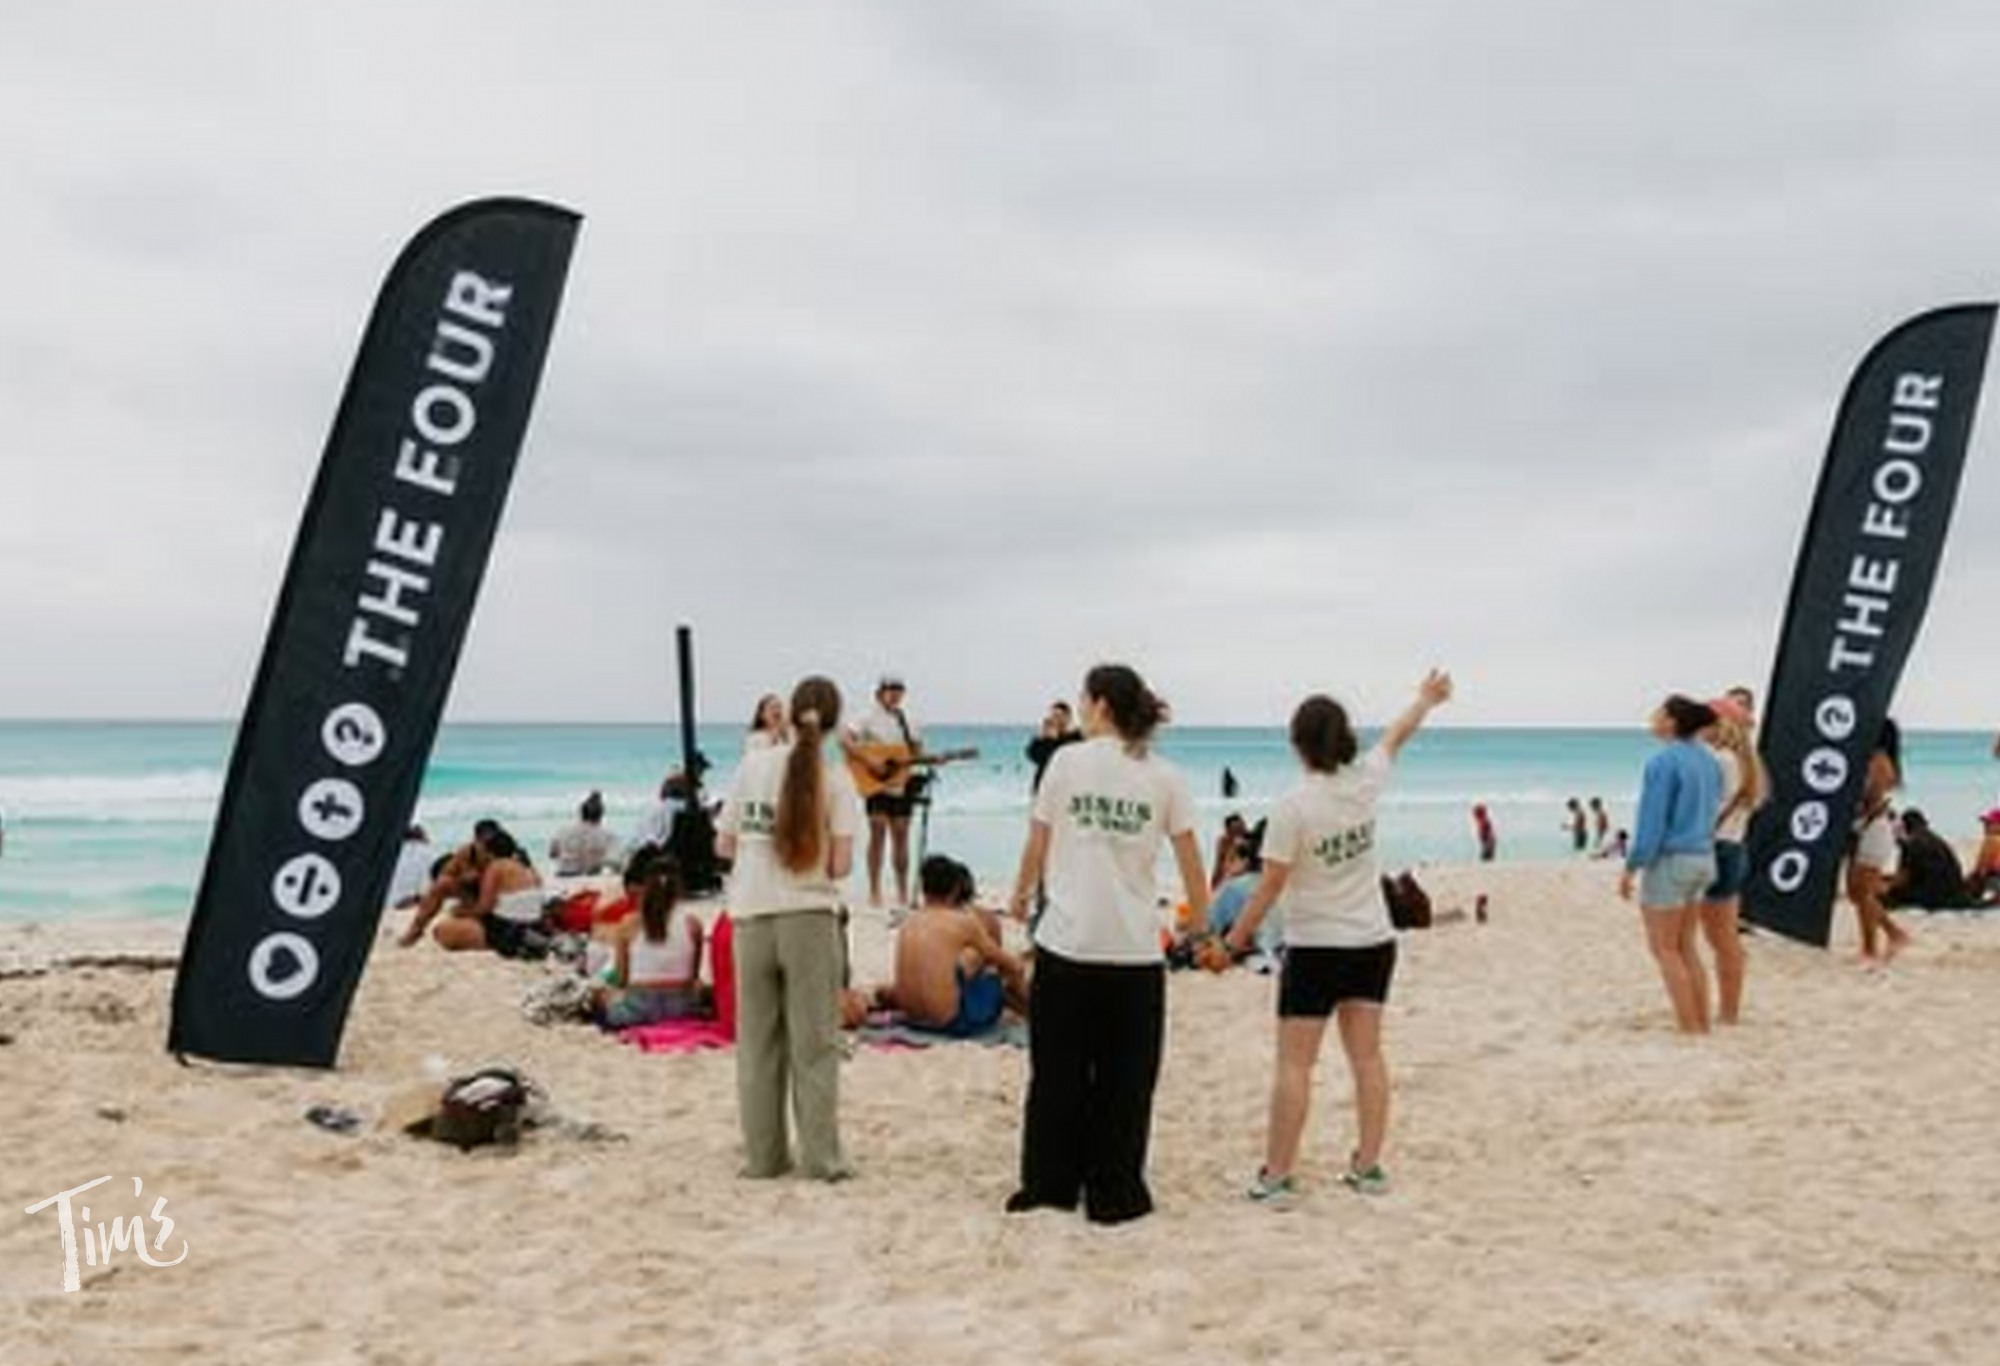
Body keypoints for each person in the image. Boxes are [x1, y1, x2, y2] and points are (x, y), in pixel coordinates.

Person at [1224, 669, 1452, 1206]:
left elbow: (1269, 886)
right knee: (1367, 1058)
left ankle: (1278, 1177)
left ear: (1298, 745)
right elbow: (1397, 734)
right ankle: (1368, 1168)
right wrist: (1426, 699)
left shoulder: (1293, 807)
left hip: (1315, 949)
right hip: (1372, 943)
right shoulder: (1365, 779)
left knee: (1295, 1065)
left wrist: (1233, 941)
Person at [1004, 664, 1209, 1224]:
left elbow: (1037, 842)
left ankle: (1050, 1186)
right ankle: (1115, 1192)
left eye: (1083, 700)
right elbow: (1192, 860)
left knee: (1057, 1074)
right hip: (1135, 950)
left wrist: (1019, 895)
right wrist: (1199, 923)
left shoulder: (1066, 762)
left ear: (1099, 706)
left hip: (1068, 943)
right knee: (1126, 1080)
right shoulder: (1164, 776)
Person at [715, 676, 862, 1182]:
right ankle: (821, 1160)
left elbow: (723, 845)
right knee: (814, 1046)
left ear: (792, 714)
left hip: (751, 916)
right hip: (808, 918)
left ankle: (765, 1157)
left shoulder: (752, 765)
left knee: (757, 1046)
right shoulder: (835, 779)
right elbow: (840, 865)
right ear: (833, 723)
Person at [1618, 696, 1722, 1034]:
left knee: (1665, 949)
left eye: (1659, 713)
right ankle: (1701, 1024)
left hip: (1673, 861)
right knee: (1686, 946)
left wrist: (1632, 867)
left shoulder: (1663, 762)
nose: (1653, 717)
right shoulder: (1709, 761)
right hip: (1703, 857)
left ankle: (1689, 1027)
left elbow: (1652, 823)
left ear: (1672, 722)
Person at [882, 855, 1029, 1034]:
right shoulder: (963, 923)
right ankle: (1033, 1011)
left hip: (912, 1018)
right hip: (951, 1022)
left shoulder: (909, 922)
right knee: (997, 971)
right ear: (955, 889)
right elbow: (1011, 965)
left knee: (972, 963)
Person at [1700, 696, 1766, 1025]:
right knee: (1726, 939)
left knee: (1716, 940)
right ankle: (1730, 1011)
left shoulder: (1719, 760)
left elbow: (1702, 810)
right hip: (1734, 849)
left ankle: (1724, 1011)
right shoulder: (1746, 763)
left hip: (1713, 849)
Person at [842, 676, 926, 908]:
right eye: (890, 690)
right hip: (875, 783)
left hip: (901, 782)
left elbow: (917, 751)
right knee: (877, 831)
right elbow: (845, 739)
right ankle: (874, 890)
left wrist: (924, 760)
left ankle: (902, 891)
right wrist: (869, 760)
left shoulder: (909, 720)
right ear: (879, 693)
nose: (894, 694)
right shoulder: (866, 717)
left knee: (901, 835)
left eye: (898, 690)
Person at [598, 855, 708, 1027]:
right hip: (681, 1007)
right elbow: (693, 977)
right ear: (679, 889)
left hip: (640, 1008)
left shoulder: (629, 924)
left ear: (645, 888)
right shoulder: (693, 924)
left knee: (600, 998)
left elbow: (621, 979)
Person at [1849, 717, 1911, 963]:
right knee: (1857, 892)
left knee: (1862, 892)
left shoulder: (1879, 761)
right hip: (1869, 828)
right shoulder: (1877, 760)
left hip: (1873, 829)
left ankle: (1876, 945)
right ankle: (1888, 937)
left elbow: (1870, 800)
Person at [430, 830, 546, 954]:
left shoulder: (492, 869)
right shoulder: (517, 865)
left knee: (442, 931)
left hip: (508, 926)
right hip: (531, 919)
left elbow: (485, 907)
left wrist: (460, 911)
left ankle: (519, 940)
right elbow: (537, 886)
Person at [1886, 810, 1972, 910]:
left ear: (1905, 827)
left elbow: (1901, 881)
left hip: (1930, 899)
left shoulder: (1911, 844)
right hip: (1953, 895)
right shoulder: (1939, 842)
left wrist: (1885, 889)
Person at [549, 791, 619, 877]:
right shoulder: (608, 835)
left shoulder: (562, 831)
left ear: (581, 813)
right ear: (601, 815)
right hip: (589, 877)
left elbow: (552, 854)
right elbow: (613, 861)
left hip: (562, 875)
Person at [1026, 699, 1083, 792]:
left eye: (1059, 716)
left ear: (1068, 718)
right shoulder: (1043, 739)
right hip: (1043, 789)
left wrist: (1053, 740)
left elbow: (1061, 758)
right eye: (1053, 716)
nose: (1056, 720)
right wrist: (1045, 738)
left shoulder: (1075, 738)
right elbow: (1033, 756)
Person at [387, 825, 433, 908]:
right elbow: (425, 884)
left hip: (388, 900)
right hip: (408, 899)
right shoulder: (425, 851)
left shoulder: (393, 849)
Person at [1210, 812, 1249, 889]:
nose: (1238, 833)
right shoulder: (1224, 842)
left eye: (1240, 829)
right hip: (1231, 882)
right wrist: (1213, 886)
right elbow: (1218, 867)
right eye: (1234, 831)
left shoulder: (1249, 842)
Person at [1973, 809, 2000, 904]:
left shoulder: (1991, 840)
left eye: (1990, 823)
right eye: (1985, 823)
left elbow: (1982, 866)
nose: (1985, 826)